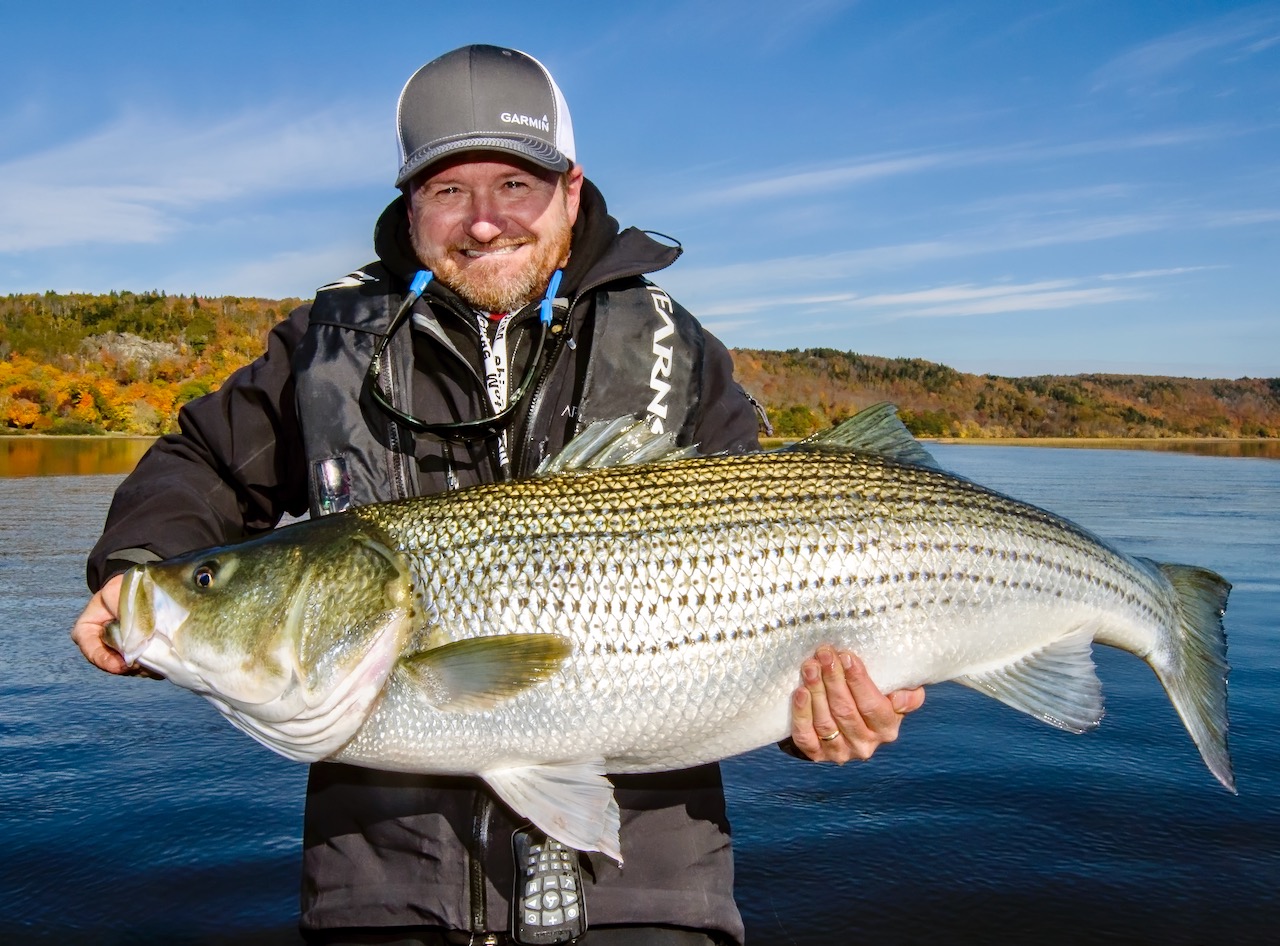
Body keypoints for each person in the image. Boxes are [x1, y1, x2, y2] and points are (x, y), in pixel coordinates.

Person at [72, 44, 925, 946]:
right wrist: (141, 567)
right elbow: (201, 460)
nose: (482, 224)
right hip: (382, 892)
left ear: (571, 188)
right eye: (448, 191)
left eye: (514, 184)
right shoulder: (327, 344)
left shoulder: (675, 347)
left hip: (650, 896)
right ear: (410, 207)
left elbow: (793, 553)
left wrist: (823, 717)